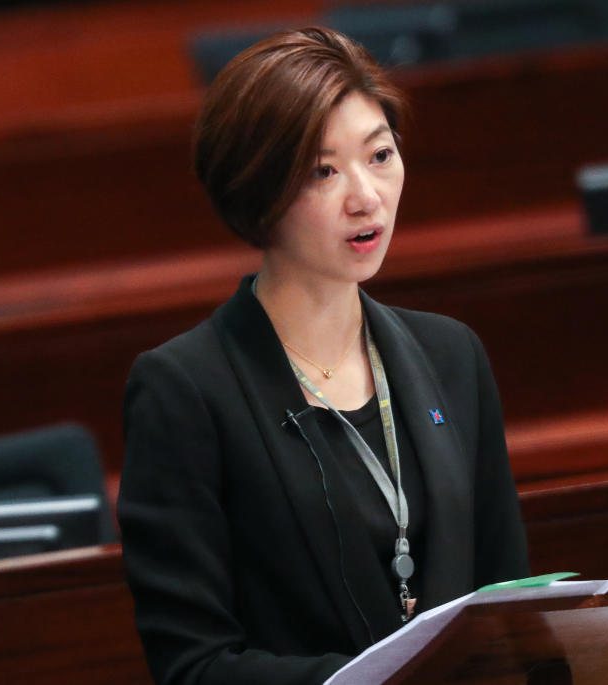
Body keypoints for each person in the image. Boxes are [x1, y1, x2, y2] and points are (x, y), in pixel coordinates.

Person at [117, 27, 529, 685]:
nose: (365, 196)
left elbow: (510, 601)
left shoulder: (452, 355)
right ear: (257, 191)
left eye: (380, 155)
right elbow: (192, 666)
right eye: (323, 170)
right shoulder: (183, 390)